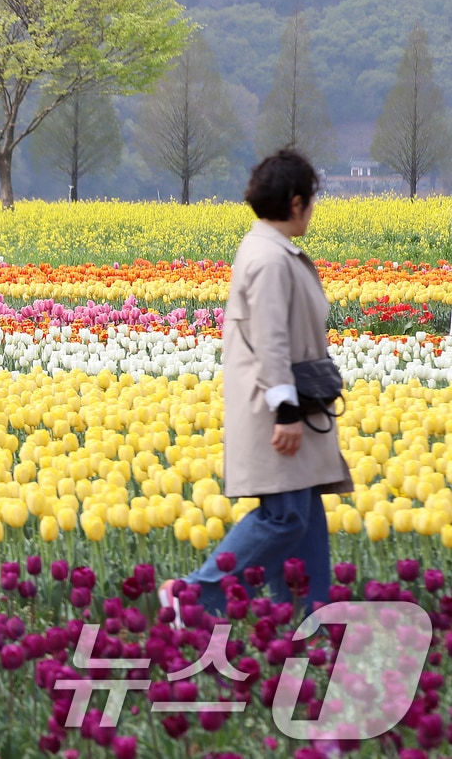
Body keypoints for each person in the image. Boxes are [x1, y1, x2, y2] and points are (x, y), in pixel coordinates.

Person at [160, 149, 353, 620]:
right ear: (295, 202)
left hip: (294, 403)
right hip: (278, 409)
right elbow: (270, 337)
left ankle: (307, 619)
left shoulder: (273, 250)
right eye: (310, 200)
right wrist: (285, 410)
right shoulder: (268, 258)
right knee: (284, 517)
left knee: (304, 520)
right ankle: (193, 596)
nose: (312, 208)